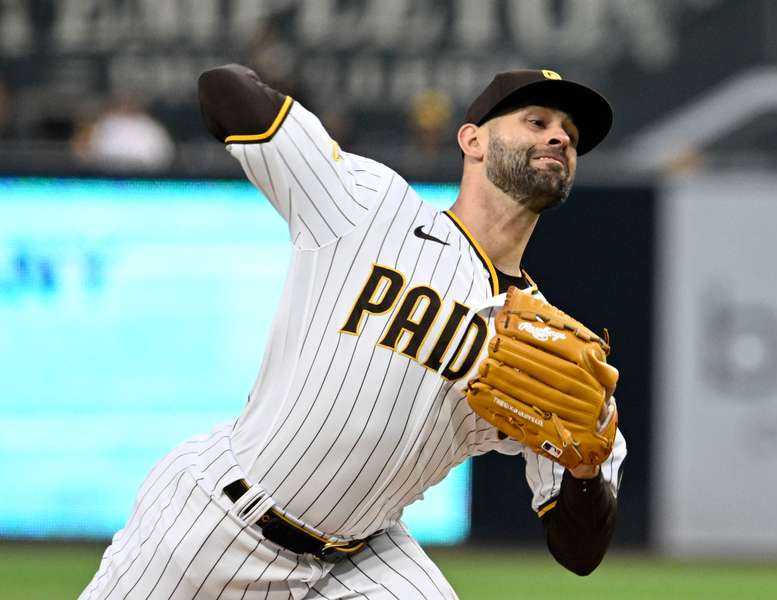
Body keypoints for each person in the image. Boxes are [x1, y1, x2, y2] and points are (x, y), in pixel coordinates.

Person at [80, 65, 626, 599]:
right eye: (536, 121)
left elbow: (579, 552)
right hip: (217, 520)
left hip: (362, 556)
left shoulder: (549, 346)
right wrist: (290, 121)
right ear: (473, 141)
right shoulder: (369, 205)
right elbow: (222, 90)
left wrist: (583, 471)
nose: (559, 136)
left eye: (570, 135)